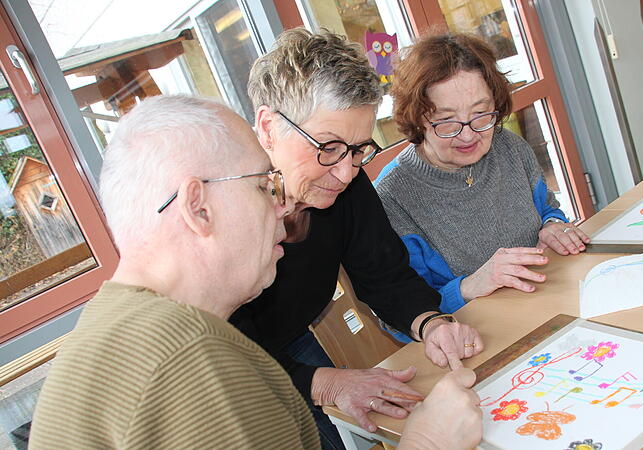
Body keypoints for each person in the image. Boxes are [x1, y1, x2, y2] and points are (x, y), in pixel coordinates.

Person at [28, 96, 483, 450]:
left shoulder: (118, 324)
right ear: (198, 208)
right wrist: (430, 442)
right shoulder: (199, 366)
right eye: (265, 186)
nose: (281, 209)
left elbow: (385, 274)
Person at [230, 29, 485, 448]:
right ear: (269, 127)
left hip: (291, 336)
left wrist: (431, 322)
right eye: (328, 147)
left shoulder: (344, 178)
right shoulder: (229, 215)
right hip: (230, 366)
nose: (347, 172)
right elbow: (225, 354)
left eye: (358, 149)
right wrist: (324, 383)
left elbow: (384, 273)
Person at [375, 32, 591, 341]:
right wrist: (469, 286)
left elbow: (548, 209)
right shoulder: (392, 198)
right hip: (482, 340)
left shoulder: (509, 147)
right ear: (418, 118)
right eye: (447, 121)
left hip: (555, 310)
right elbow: (398, 320)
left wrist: (554, 225)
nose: (469, 136)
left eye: (481, 114)